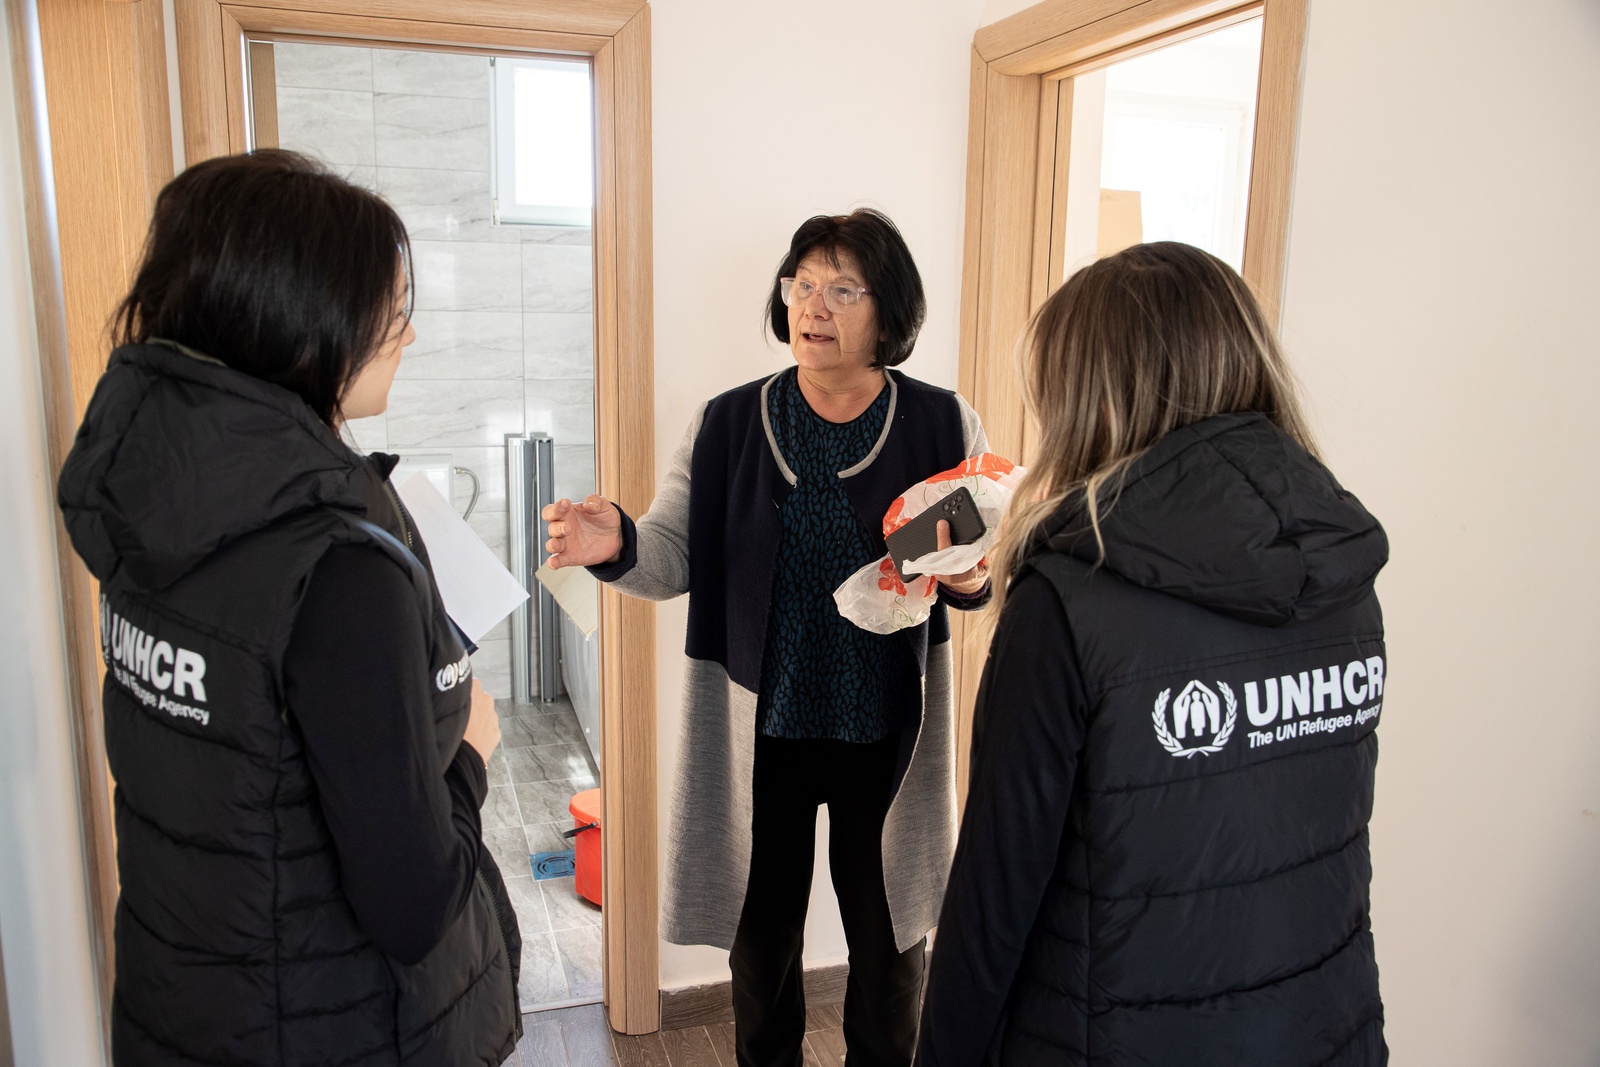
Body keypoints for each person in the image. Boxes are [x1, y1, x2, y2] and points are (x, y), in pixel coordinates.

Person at [57, 150, 523, 1066]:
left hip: (182, 996)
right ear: (307, 325)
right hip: (328, 1022)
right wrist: (469, 750)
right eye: (394, 314)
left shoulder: (154, 492)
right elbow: (412, 901)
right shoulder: (338, 564)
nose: (408, 338)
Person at [916, 242, 1390, 1065]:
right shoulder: (1340, 573)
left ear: (1093, 394)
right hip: (1325, 1028)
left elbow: (994, 900)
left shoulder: (1068, 600)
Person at [544, 209, 987, 1066]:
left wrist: (968, 578)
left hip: (884, 737)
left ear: (887, 312)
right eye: (801, 284)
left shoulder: (942, 424)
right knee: (762, 958)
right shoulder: (728, 424)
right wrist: (618, 542)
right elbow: (672, 553)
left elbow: (969, 562)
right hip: (763, 735)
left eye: (841, 289)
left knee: (890, 957)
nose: (813, 306)